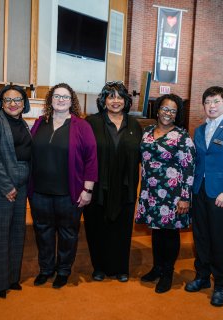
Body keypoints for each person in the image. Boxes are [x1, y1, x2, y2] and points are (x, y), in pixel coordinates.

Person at [184, 86, 223, 307]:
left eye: (216, 101)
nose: (211, 106)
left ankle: (220, 284)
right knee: (200, 237)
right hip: (199, 191)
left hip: (220, 195)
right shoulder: (200, 130)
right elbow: (197, 162)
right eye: (208, 102)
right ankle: (202, 277)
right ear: (203, 105)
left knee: (220, 240)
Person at [29, 83, 97, 289]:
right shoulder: (40, 123)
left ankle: (64, 270)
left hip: (69, 193)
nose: (60, 100)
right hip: (40, 191)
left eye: (65, 97)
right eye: (57, 96)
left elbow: (91, 160)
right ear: (50, 99)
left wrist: (87, 190)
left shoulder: (82, 126)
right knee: (43, 231)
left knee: (68, 233)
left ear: (71, 101)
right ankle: (46, 269)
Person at [135, 94, 195, 293]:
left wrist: (185, 197)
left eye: (172, 110)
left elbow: (188, 168)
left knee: (170, 233)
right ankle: (157, 268)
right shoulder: (148, 131)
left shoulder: (182, 136)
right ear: (158, 109)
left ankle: (167, 273)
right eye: (164, 109)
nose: (167, 113)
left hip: (173, 194)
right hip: (151, 191)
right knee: (156, 231)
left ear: (177, 114)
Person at [84, 81, 143, 282]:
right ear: (104, 100)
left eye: (119, 97)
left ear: (126, 101)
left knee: (122, 229)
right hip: (98, 186)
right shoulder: (92, 122)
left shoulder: (135, 125)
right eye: (111, 96)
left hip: (125, 187)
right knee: (96, 228)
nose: (115, 101)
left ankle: (121, 268)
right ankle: (99, 267)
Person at [0, 85, 32, 298]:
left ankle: (12, 278)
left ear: (24, 103)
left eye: (18, 100)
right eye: (8, 100)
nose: (13, 104)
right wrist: (6, 186)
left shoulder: (25, 124)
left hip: (21, 186)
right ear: (1, 102)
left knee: (17, 233)